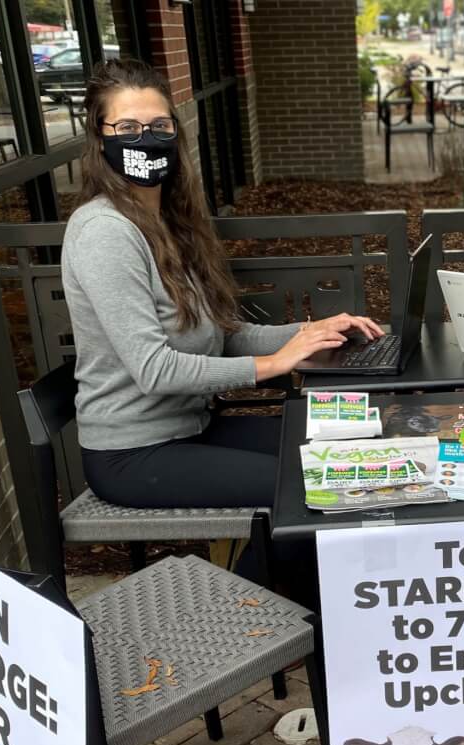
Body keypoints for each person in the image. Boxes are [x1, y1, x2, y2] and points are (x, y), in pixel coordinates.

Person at [61, 60, 381, 512]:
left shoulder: (168, 222)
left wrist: (309, 334)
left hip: (193, 428)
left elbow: (219, 335)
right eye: (127, 128)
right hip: (133, 453)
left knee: (351, 447)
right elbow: (155, 371)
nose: (145, 139)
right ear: (100, 138)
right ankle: (255, 583)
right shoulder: (104, 232)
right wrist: (273, 364)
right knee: (308, 485)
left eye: (158, 126)